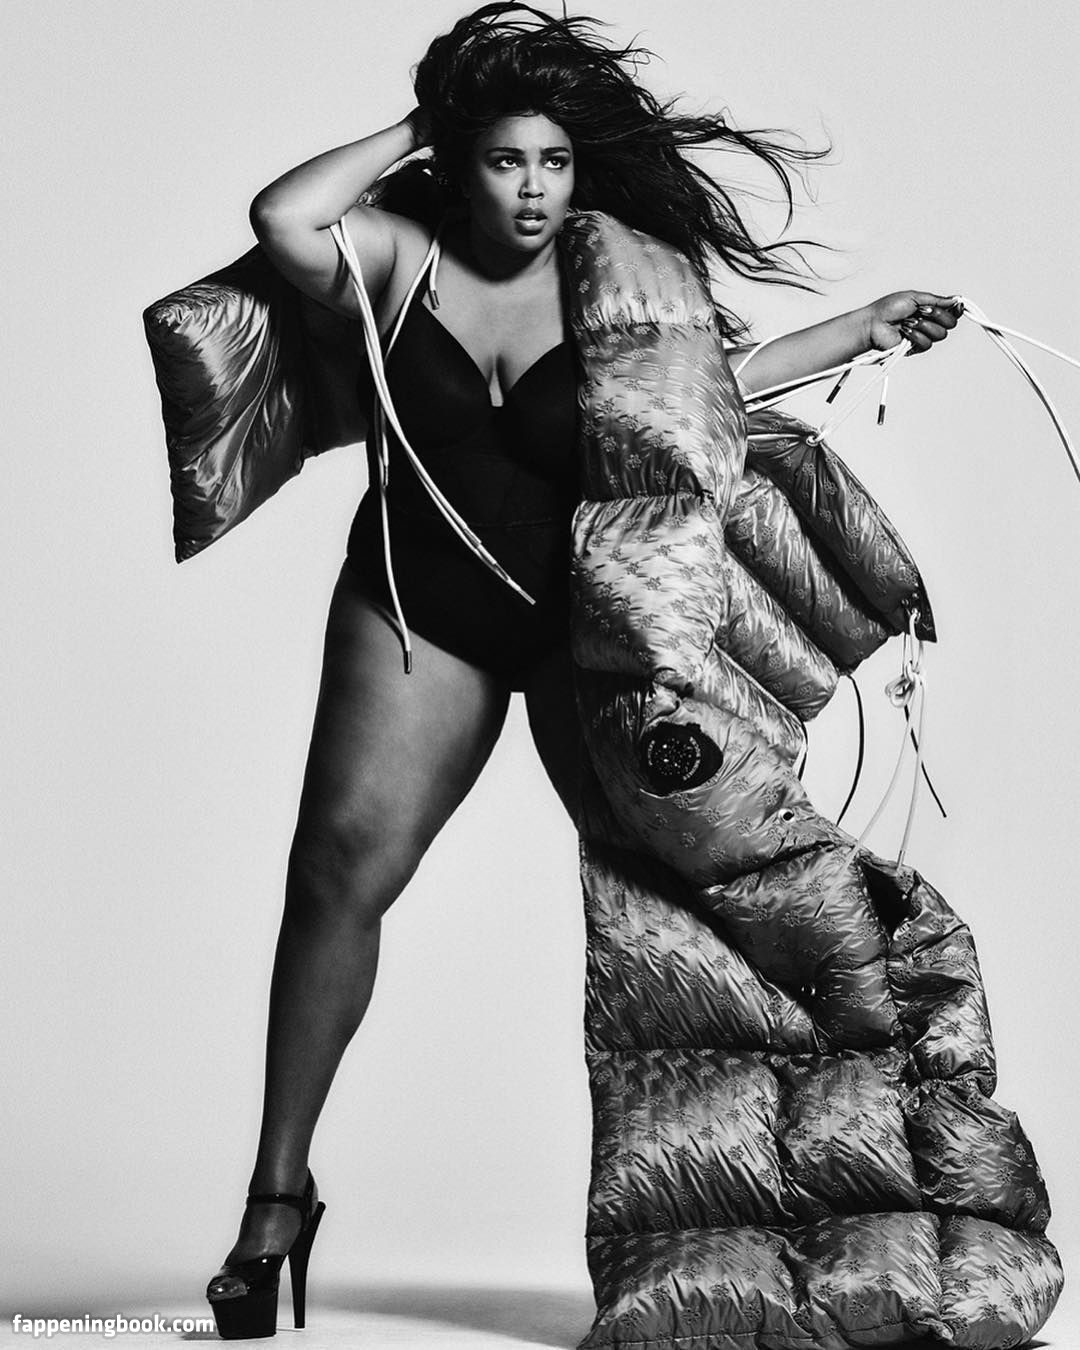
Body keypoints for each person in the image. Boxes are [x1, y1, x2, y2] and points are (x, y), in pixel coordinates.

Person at [204, 3, 958, 1338]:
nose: (535, 189)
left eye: (554, 161)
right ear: (457, 163)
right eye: (506, 160)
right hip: (418, 613)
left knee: (688, 908)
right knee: (335, 877)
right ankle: (275, 1203)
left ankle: (788, 1225)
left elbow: (710, 394)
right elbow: (283, 217)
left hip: (582, 629)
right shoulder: (396, 258)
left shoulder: (623, 275)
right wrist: (424, 122)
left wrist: (859, 329)